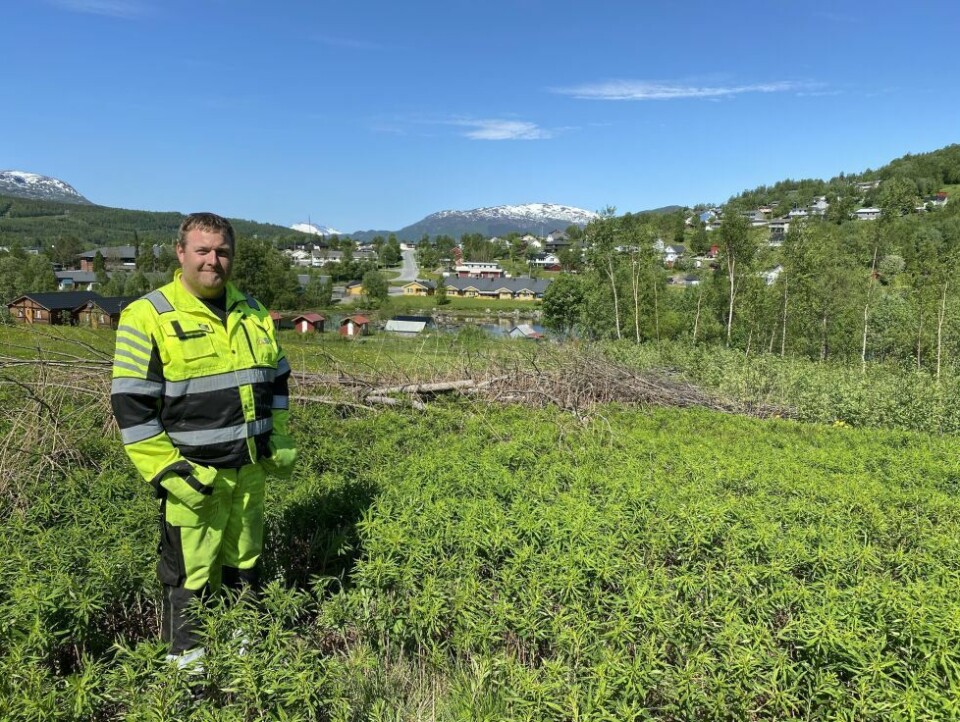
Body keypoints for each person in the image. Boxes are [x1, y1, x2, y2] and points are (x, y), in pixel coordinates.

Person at [110, 212, 296, 668]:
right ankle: (188, 674)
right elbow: (132, 409)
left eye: (223, 252)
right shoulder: (148, 316)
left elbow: (279, 381)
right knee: (189, 578)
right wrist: (172, 473)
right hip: (194, 480)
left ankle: (243, 655)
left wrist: (279, 439)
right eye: (203, 251)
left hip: (250, 472)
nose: (213, 260)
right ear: (181, 253)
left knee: (245, 563)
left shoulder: (254, 312)